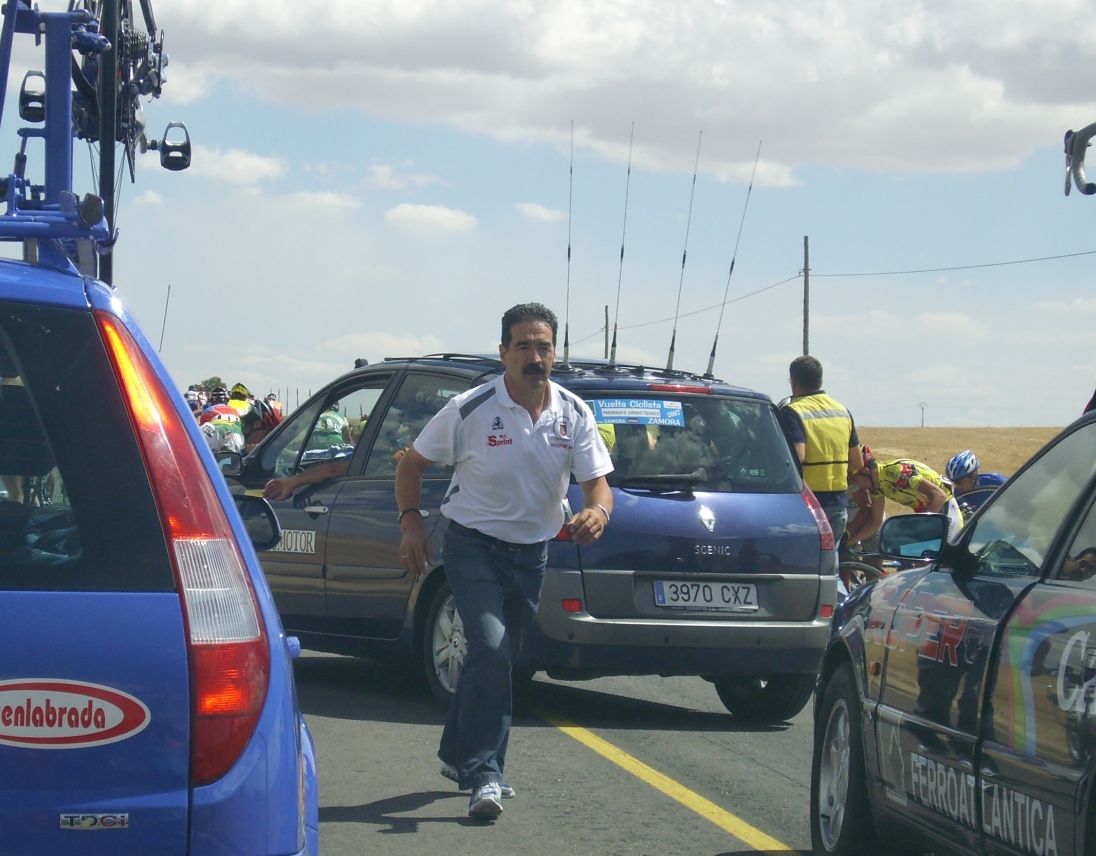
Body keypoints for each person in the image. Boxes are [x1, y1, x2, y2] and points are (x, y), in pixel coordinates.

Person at [394, 302, 613, 821]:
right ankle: (486, 774)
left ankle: (457, 752)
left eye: (544, 347)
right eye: (523, 347)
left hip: (532, 552)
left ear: (555, 353)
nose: (534, 357)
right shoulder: (469, 408)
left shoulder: (574, 412)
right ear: (503, 353)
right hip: (474, 546)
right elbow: (411, 465)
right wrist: (411, 523)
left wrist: (599, 512)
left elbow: (597, 485)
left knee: (498, 658)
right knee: (490, 649)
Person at [777, 355, 862, 545]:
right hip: (838, 502)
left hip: (806, 504)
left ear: (793, 381)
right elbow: (857, 462)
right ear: (820, 379)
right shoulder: (842, 411)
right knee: (830, 559)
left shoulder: (792, 411)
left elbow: (797, 456)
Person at [845, 446, 963, 545]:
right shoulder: (876, 487)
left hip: (945, 508)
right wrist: (848, 542)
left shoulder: (897, 472)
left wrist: (920, 527)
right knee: (910, 552)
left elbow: (939, 496)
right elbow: (875, 522)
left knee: (942, 558)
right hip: (928, 513)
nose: (855, 485)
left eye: (854, 479)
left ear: (866, 471)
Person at [944, 449, 1007, 515]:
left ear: (973, 476)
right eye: (954, 482)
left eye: (959, 482)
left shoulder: (997, 482)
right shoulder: (956, 496)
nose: (956, 486)